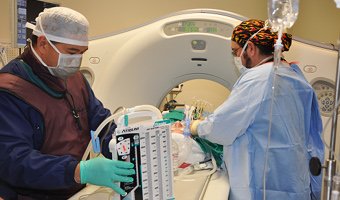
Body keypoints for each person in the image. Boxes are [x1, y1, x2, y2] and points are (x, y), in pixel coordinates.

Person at [0, 7, 135, 200]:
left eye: (82, 53)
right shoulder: (9, 89)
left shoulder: (75, 79)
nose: (77, 60)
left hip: (73, 189)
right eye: (72, 52)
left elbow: (101, 122)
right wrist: (79, 171)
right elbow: (14, 160)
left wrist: (125, 148)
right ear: (44, 44)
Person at [190, 19, 324, 200]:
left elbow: (221, 128)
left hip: (262, 185)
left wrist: (196, 126)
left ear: (250, 48)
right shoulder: (295, 75)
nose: (236, 57)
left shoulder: (257, 78)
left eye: (236, 51)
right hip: (295, 181)